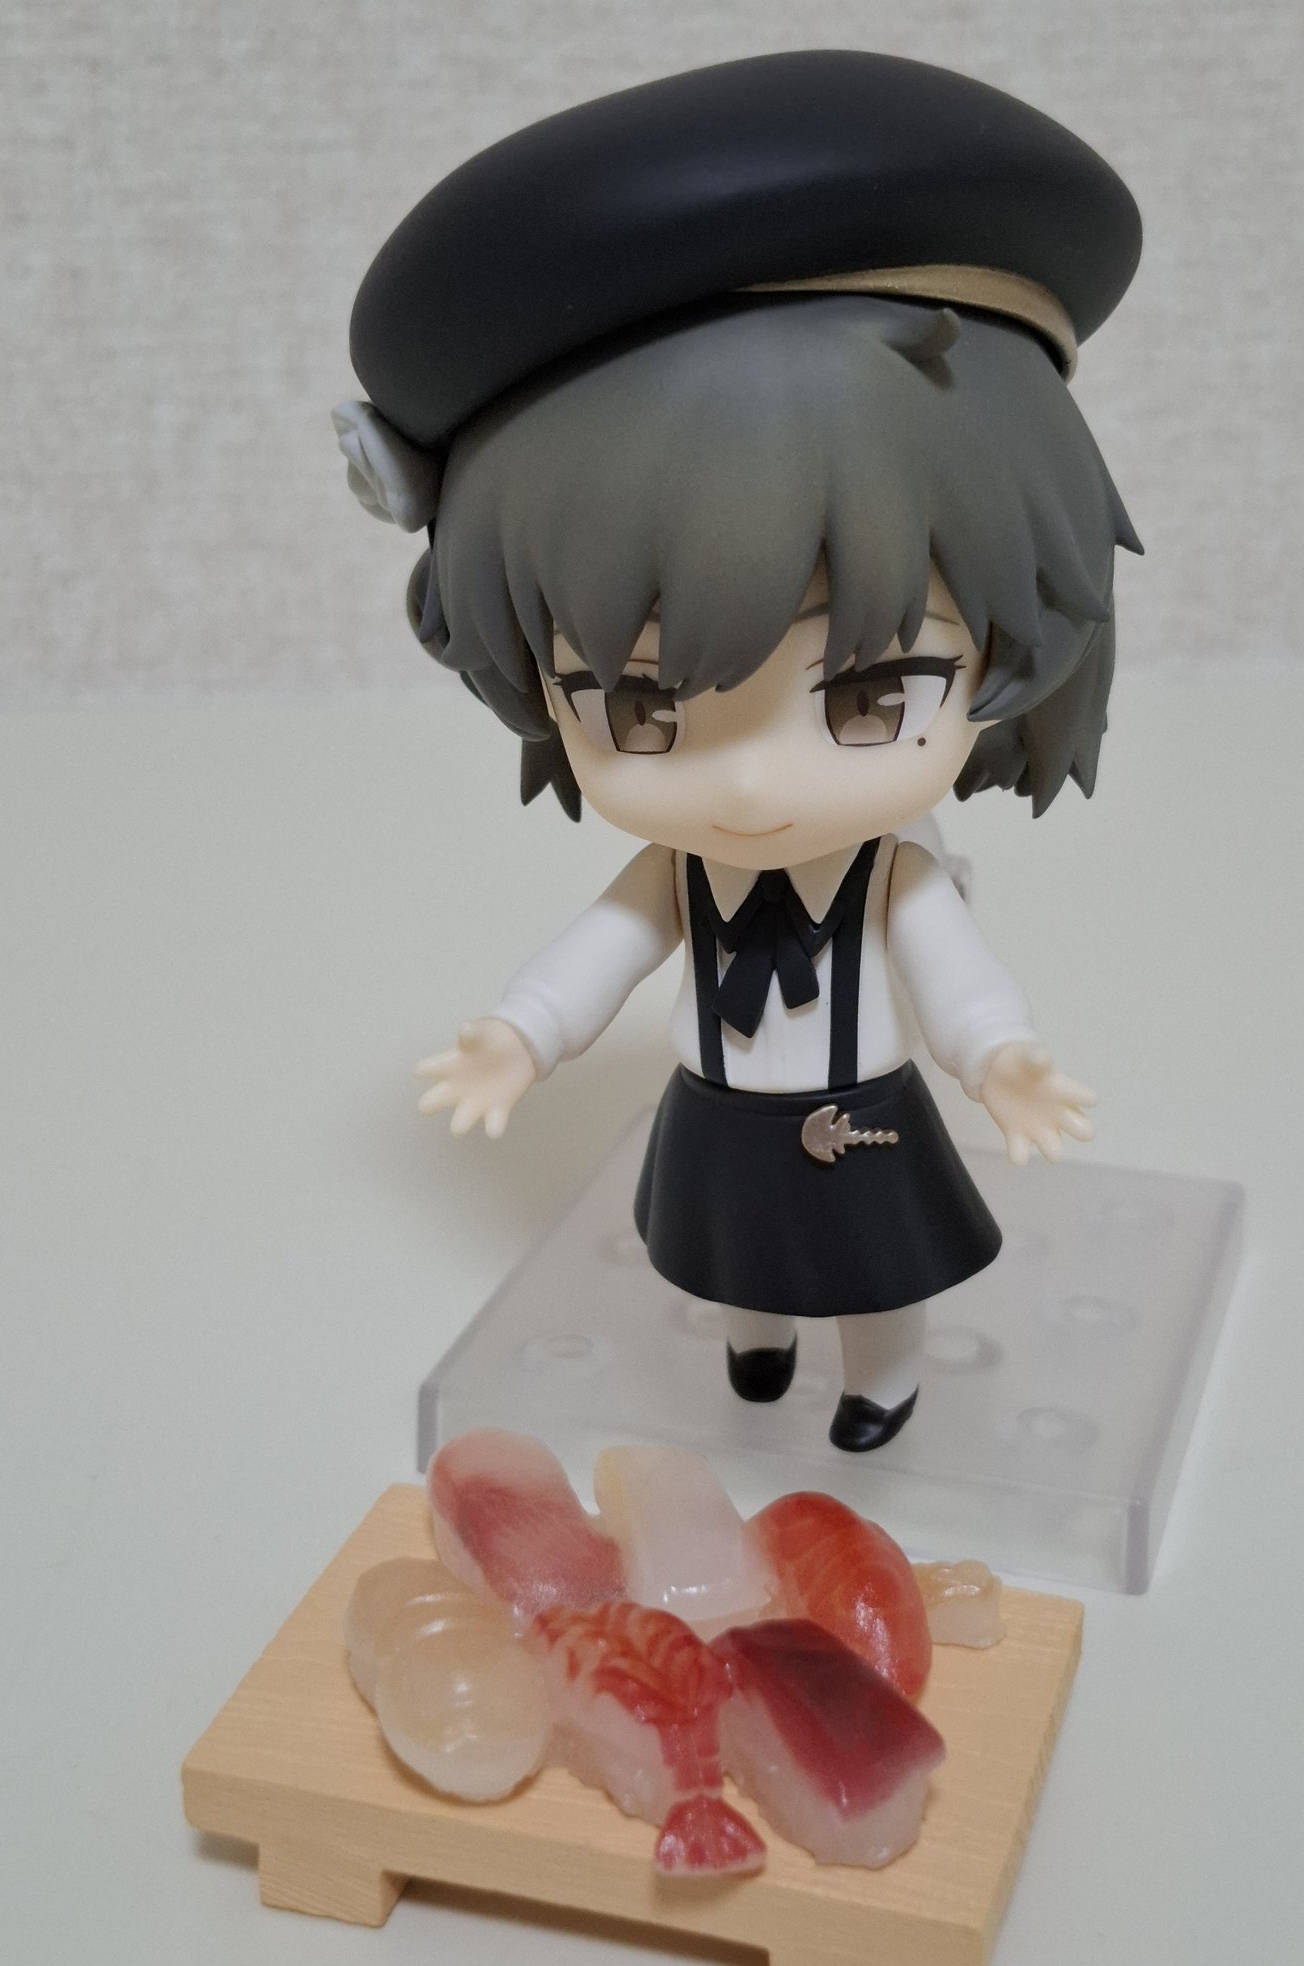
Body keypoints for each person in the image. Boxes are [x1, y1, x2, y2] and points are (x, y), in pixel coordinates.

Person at [334, 52, 1142, 1450]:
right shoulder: (680, 877)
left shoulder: (896, 879)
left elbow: (956, 984)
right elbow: (598, 954)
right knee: (730, 1261)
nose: (753, 782)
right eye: (640, 712)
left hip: (864, 1109)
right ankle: (758, 1355)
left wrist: (1000, 1060)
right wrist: (518, 1039)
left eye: (870, 694)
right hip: (719, 1110)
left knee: (877, 1268)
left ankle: (881, 1382)